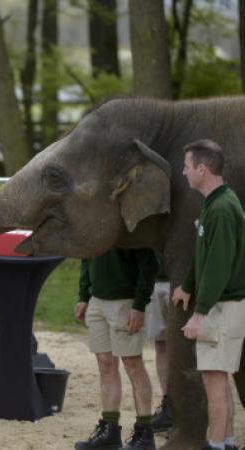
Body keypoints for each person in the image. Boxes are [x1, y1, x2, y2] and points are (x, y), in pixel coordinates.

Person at [172, 139, 245, 450]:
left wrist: (200, 314)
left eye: (187, 166)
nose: (184, 172)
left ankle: (216, 445)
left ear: (202, 169)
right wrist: (187, 284)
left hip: (222, 307)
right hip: (219, 304)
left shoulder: (223, 209)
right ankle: (226, 442)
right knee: (218, 377)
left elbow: (218, 266)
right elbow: (203, 254)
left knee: (213, 381)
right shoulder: (214, 203)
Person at [74, 247, 158, 450]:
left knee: (133, 365)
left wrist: (139, 304)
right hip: (97, 301)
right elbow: (87, 258)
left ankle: (144, 433)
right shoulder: (92, 222)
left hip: (125, 302)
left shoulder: (129, 226)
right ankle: (110, 430)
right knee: (105, 363)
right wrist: (84, 296)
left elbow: (150, 263)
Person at [143, 254, 172, 433]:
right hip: (154, 279)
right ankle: (169, 407)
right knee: (161, 345)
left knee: (184, 348)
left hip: (180, 280)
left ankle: (188, 409)